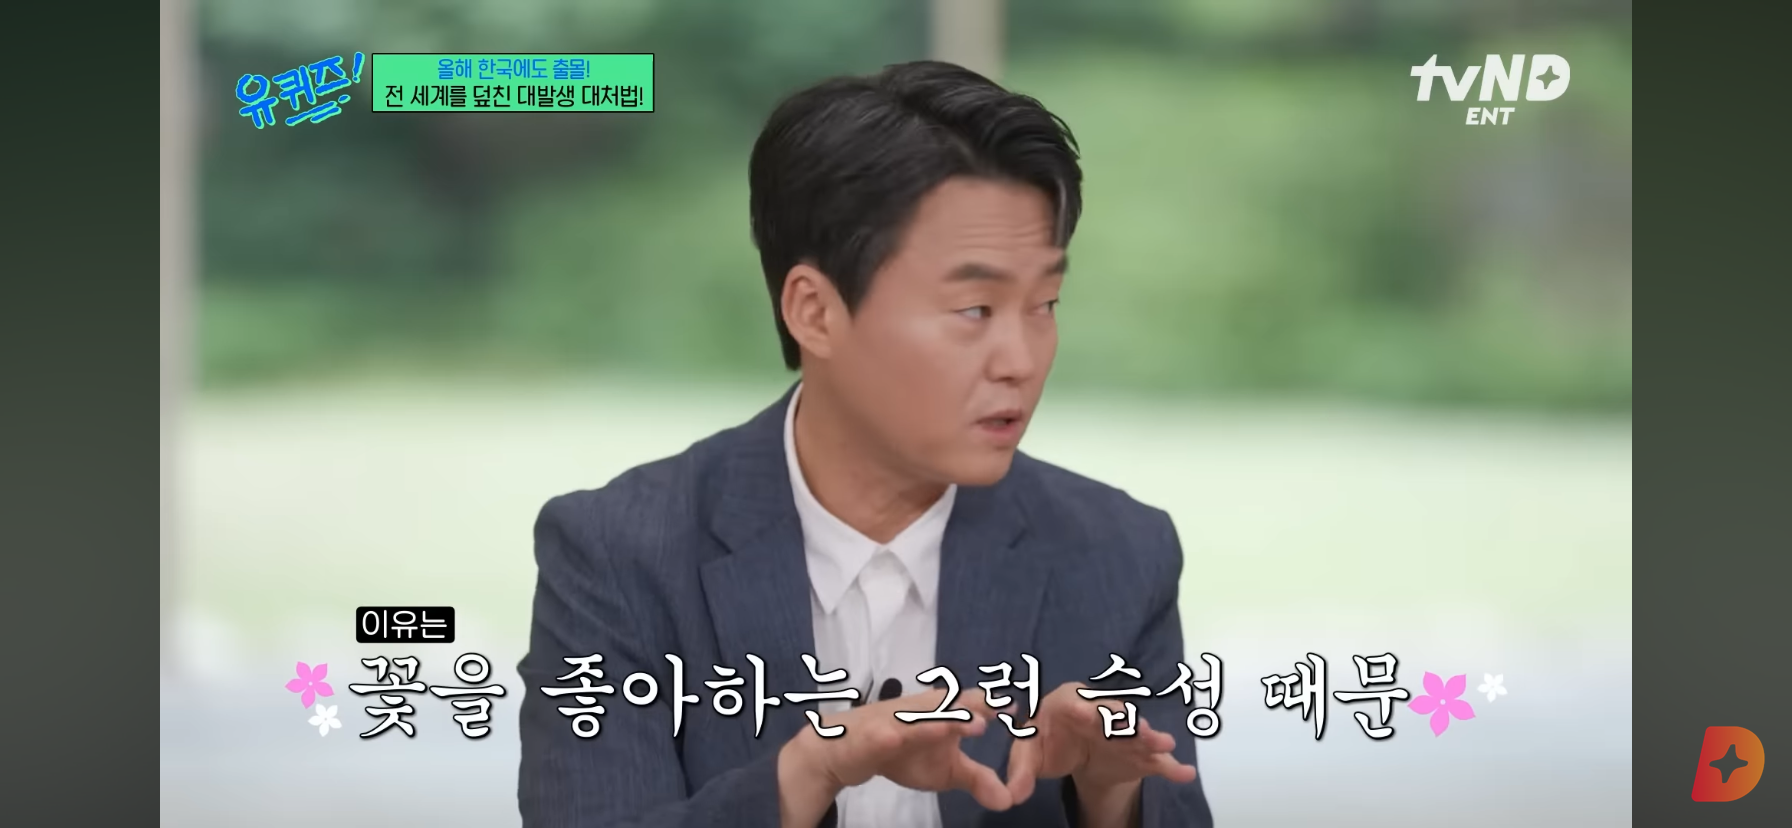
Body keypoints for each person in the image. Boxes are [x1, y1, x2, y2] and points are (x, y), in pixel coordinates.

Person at [518, 60, 1215, 828]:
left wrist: (1109, 795)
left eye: (1045, 303)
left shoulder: (1118, 553)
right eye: (975, 309)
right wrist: (808, 773)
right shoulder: (621, 552)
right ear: (814, 312)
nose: (1021, 359)